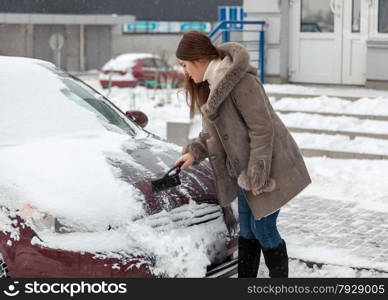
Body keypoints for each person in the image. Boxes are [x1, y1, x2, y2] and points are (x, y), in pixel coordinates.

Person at [174, 31, 312, 278]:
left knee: (263, 229)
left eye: (184, 65)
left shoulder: (240, 82)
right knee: (247, 231)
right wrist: (195, 152)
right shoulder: (212, 85)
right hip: (241, 171)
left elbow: (262, 129)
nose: (185, 71)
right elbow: (215, 134)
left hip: (267, 168)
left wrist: (258, 174)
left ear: (197, 59)